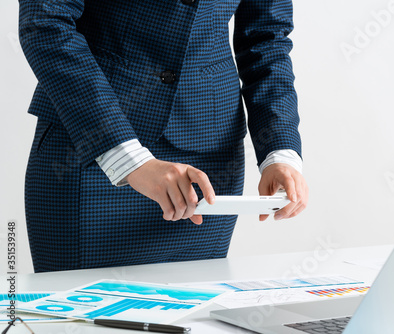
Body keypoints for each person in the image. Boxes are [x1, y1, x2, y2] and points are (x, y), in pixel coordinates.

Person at [19, 0, 308, 273]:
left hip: (209, 158)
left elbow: (266, 39)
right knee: (84, 319)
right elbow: (44, 22)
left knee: (195, 315)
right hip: (94, 148)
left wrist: (279, 152)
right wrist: (130, 160)